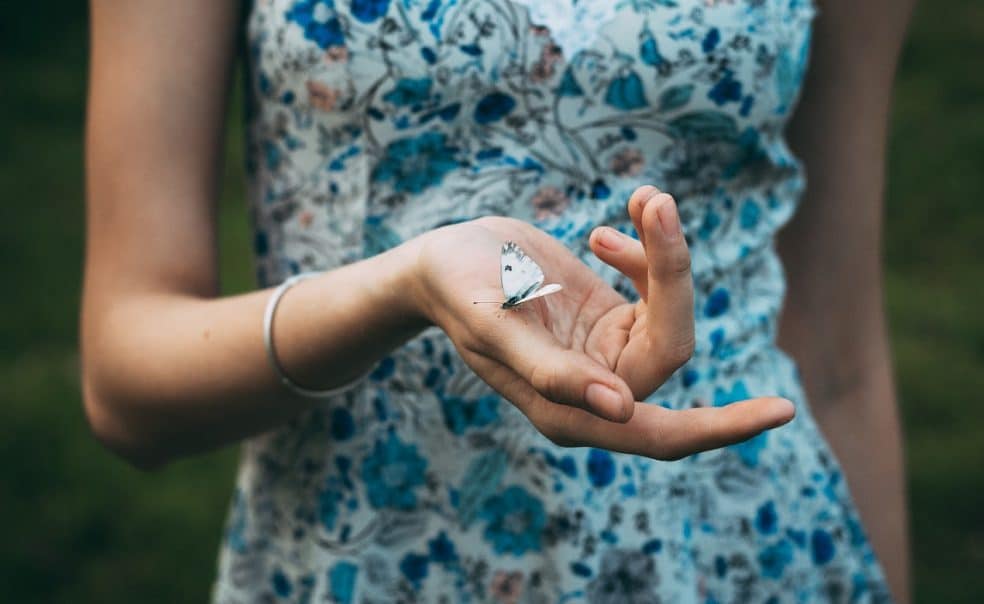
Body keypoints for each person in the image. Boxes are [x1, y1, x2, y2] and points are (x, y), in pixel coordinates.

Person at [81, 0, 912, 601]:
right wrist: (399, 288)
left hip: (744, 550)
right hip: (366, 558)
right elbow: (125, 386)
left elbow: (838, 360)